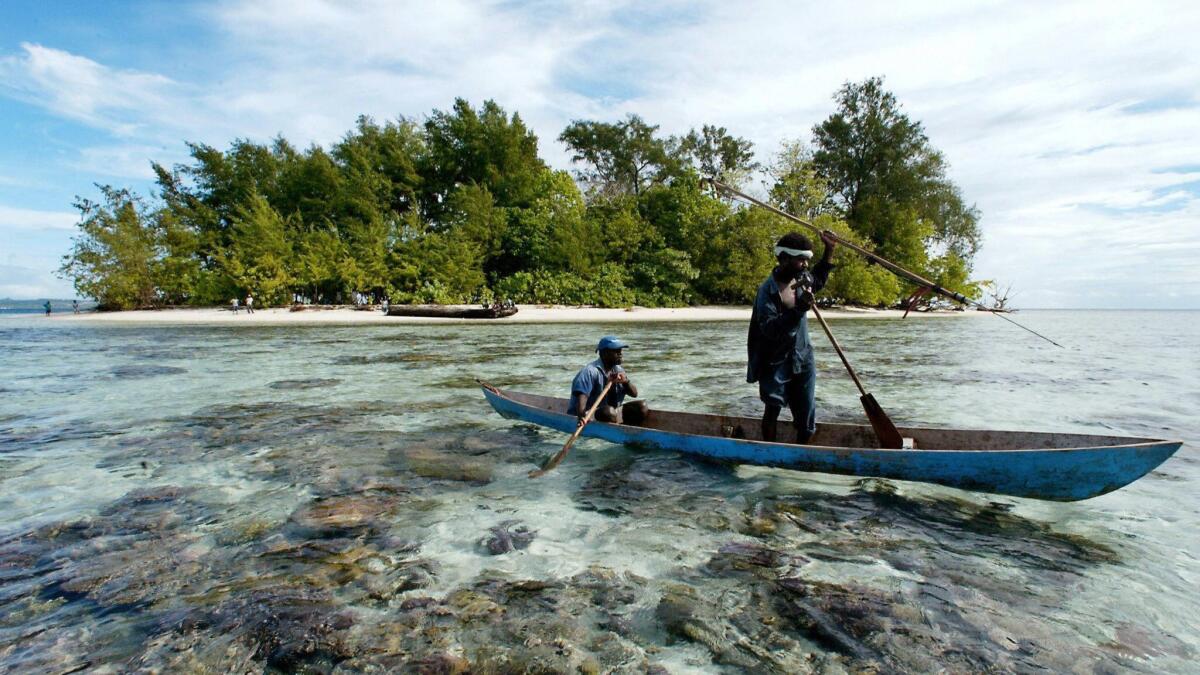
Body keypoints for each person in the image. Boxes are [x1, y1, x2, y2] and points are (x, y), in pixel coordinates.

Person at [746, 231, 837, 444]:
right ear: (784, 258)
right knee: (773, 408)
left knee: (806, 412)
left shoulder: (802, 280)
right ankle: (769, 454)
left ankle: (801, 456)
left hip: (802, 356)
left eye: (807, 260)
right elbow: (770, 329)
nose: (805, 265)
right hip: (775, 359)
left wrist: (830, 250)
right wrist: (798, 310)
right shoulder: (766, 292)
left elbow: (820, 277)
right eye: (800, 260)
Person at [568, 336, 648, 426]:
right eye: (616, 351)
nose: (620, 354)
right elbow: (582, 398)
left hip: (611, 413)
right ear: (604, 353)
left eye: (621, 351)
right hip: (588, 414)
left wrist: (625, 382)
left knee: (642, 406)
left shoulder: (618, 370)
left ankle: (627, 430)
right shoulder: (590, 371)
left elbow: (634, 394)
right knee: (608, 412)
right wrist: (581, 417)